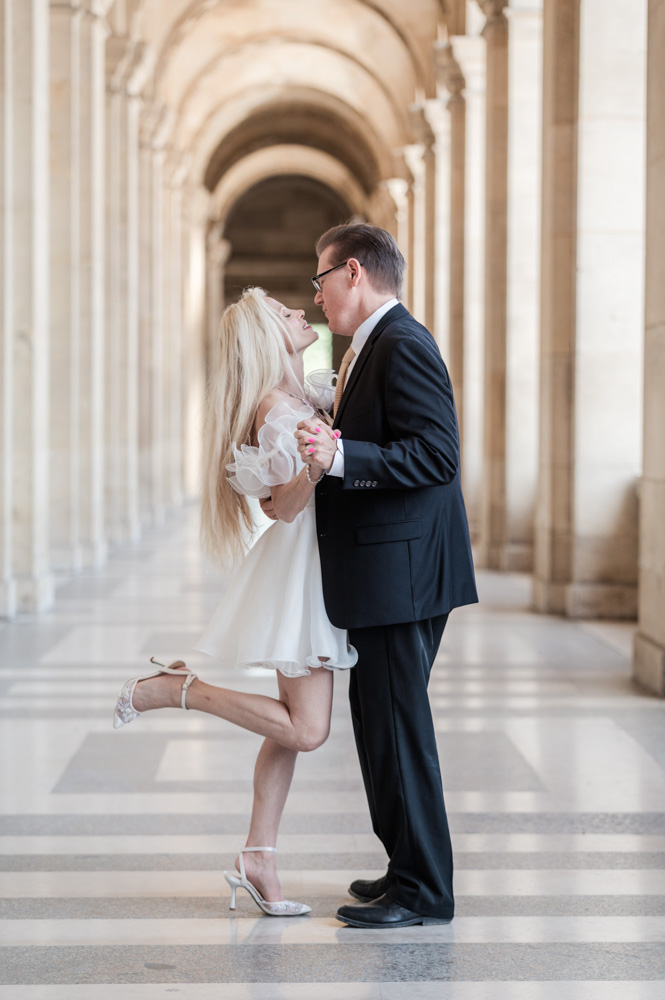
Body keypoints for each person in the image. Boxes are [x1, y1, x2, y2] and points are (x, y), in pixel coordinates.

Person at [112, 287, 357, 917]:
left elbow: (276, 500)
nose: (299, 313)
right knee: (307, 729)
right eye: (284, 313)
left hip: (312, 568)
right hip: (301, 575)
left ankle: (258, 856)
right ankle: (175, 689)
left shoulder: (297, 398)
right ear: (265, 339)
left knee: (287, 725)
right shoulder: (279, 412)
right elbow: (291, 503)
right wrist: (319, 462)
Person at [284, 223, 478, 928]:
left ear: (353, 272)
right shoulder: (372, 347)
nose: (316, 295)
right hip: (386, 573)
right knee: (379, 727)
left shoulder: (402, 342)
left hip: (405, 574)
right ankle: (404, 867)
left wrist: (340, 459)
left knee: (398, 730)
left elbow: (436, 456)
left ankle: (425, 890)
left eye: (320, 279)